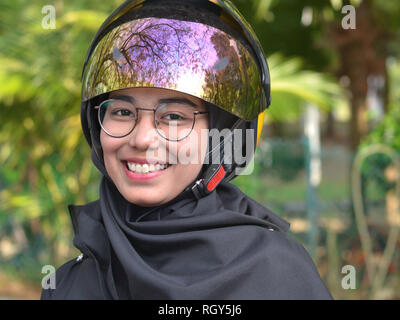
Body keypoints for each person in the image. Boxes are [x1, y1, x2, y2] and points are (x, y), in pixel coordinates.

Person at [41, 0, 332, 299]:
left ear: (222, 136)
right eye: (123, 112)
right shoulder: (67, 285)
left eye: (174, 116)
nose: (142, 139)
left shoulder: (277, 276)